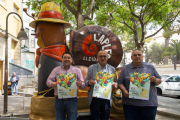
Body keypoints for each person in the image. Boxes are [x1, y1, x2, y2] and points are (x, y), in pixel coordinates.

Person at [118, 49, 162, 120]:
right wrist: (124, 91)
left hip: (149, 105)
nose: (137, 56)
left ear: (142, 57)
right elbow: (120, 82)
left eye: (139, 55)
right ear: (131, 57)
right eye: (135, 55)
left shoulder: (150, 67)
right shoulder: (125, 68)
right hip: (130, 105)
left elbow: (159, 80)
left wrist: (155, 80)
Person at [46, 51, 85, 120]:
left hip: (72, 100)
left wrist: (80, 84)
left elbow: (83, 85)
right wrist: (52, 83)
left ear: (71, 60)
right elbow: (48, 82)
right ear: (62, 59)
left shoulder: (77, 70)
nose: (67, 59)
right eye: (65, 57)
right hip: (59, 100)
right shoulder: (56, 70)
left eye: (68, 58)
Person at [85, 50, 118, 120]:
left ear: (107, 57)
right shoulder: (91, 67)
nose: (103, 58)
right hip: (94, 98)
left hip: (106, 99)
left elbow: (114, 82)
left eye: (104, 56)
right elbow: (86, 81)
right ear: (97, 57)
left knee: (105, 117)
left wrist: (115, 85)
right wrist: (89, 82)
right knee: (95, 117)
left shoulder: (112, 69)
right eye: (100, 56)